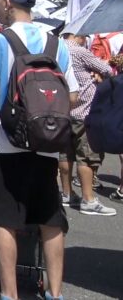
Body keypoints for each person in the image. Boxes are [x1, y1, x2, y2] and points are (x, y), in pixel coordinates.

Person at [0, 0, 78, 300]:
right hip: (45, 144)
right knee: (50, 220)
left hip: (5, 144)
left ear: (7, 3)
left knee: (5, 220)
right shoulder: (56, 44)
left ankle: (9, 294)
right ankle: (55, 292)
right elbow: (74, 96)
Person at [57, 32, 116, 216]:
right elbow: (107, 70)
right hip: (84, 110)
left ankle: (67, 193)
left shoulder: (56, 47)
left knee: (65, 154)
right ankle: (88, 199)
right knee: (87, 157)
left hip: (63, 109)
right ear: (79, 35)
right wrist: (98, 72)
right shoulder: (79, 51)